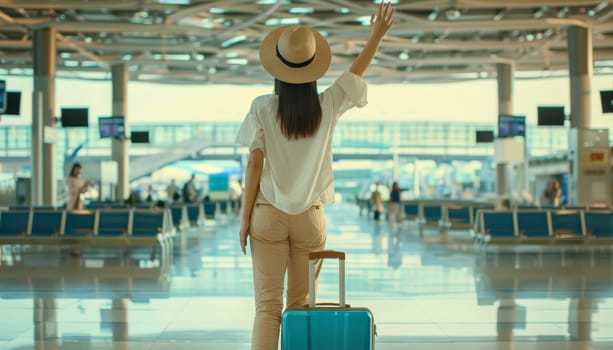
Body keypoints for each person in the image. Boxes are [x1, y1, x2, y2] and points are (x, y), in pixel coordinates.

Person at [235, 2, 394, 349]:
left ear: (277, 69)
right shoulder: (327, 105)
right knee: (300, 307)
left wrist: (245, 219)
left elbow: (254, 165)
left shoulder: (262, 107)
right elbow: (355, 74)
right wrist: (377, 35)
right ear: (313, 70)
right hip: (309, 217)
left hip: (267, 216)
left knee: (267, 309)